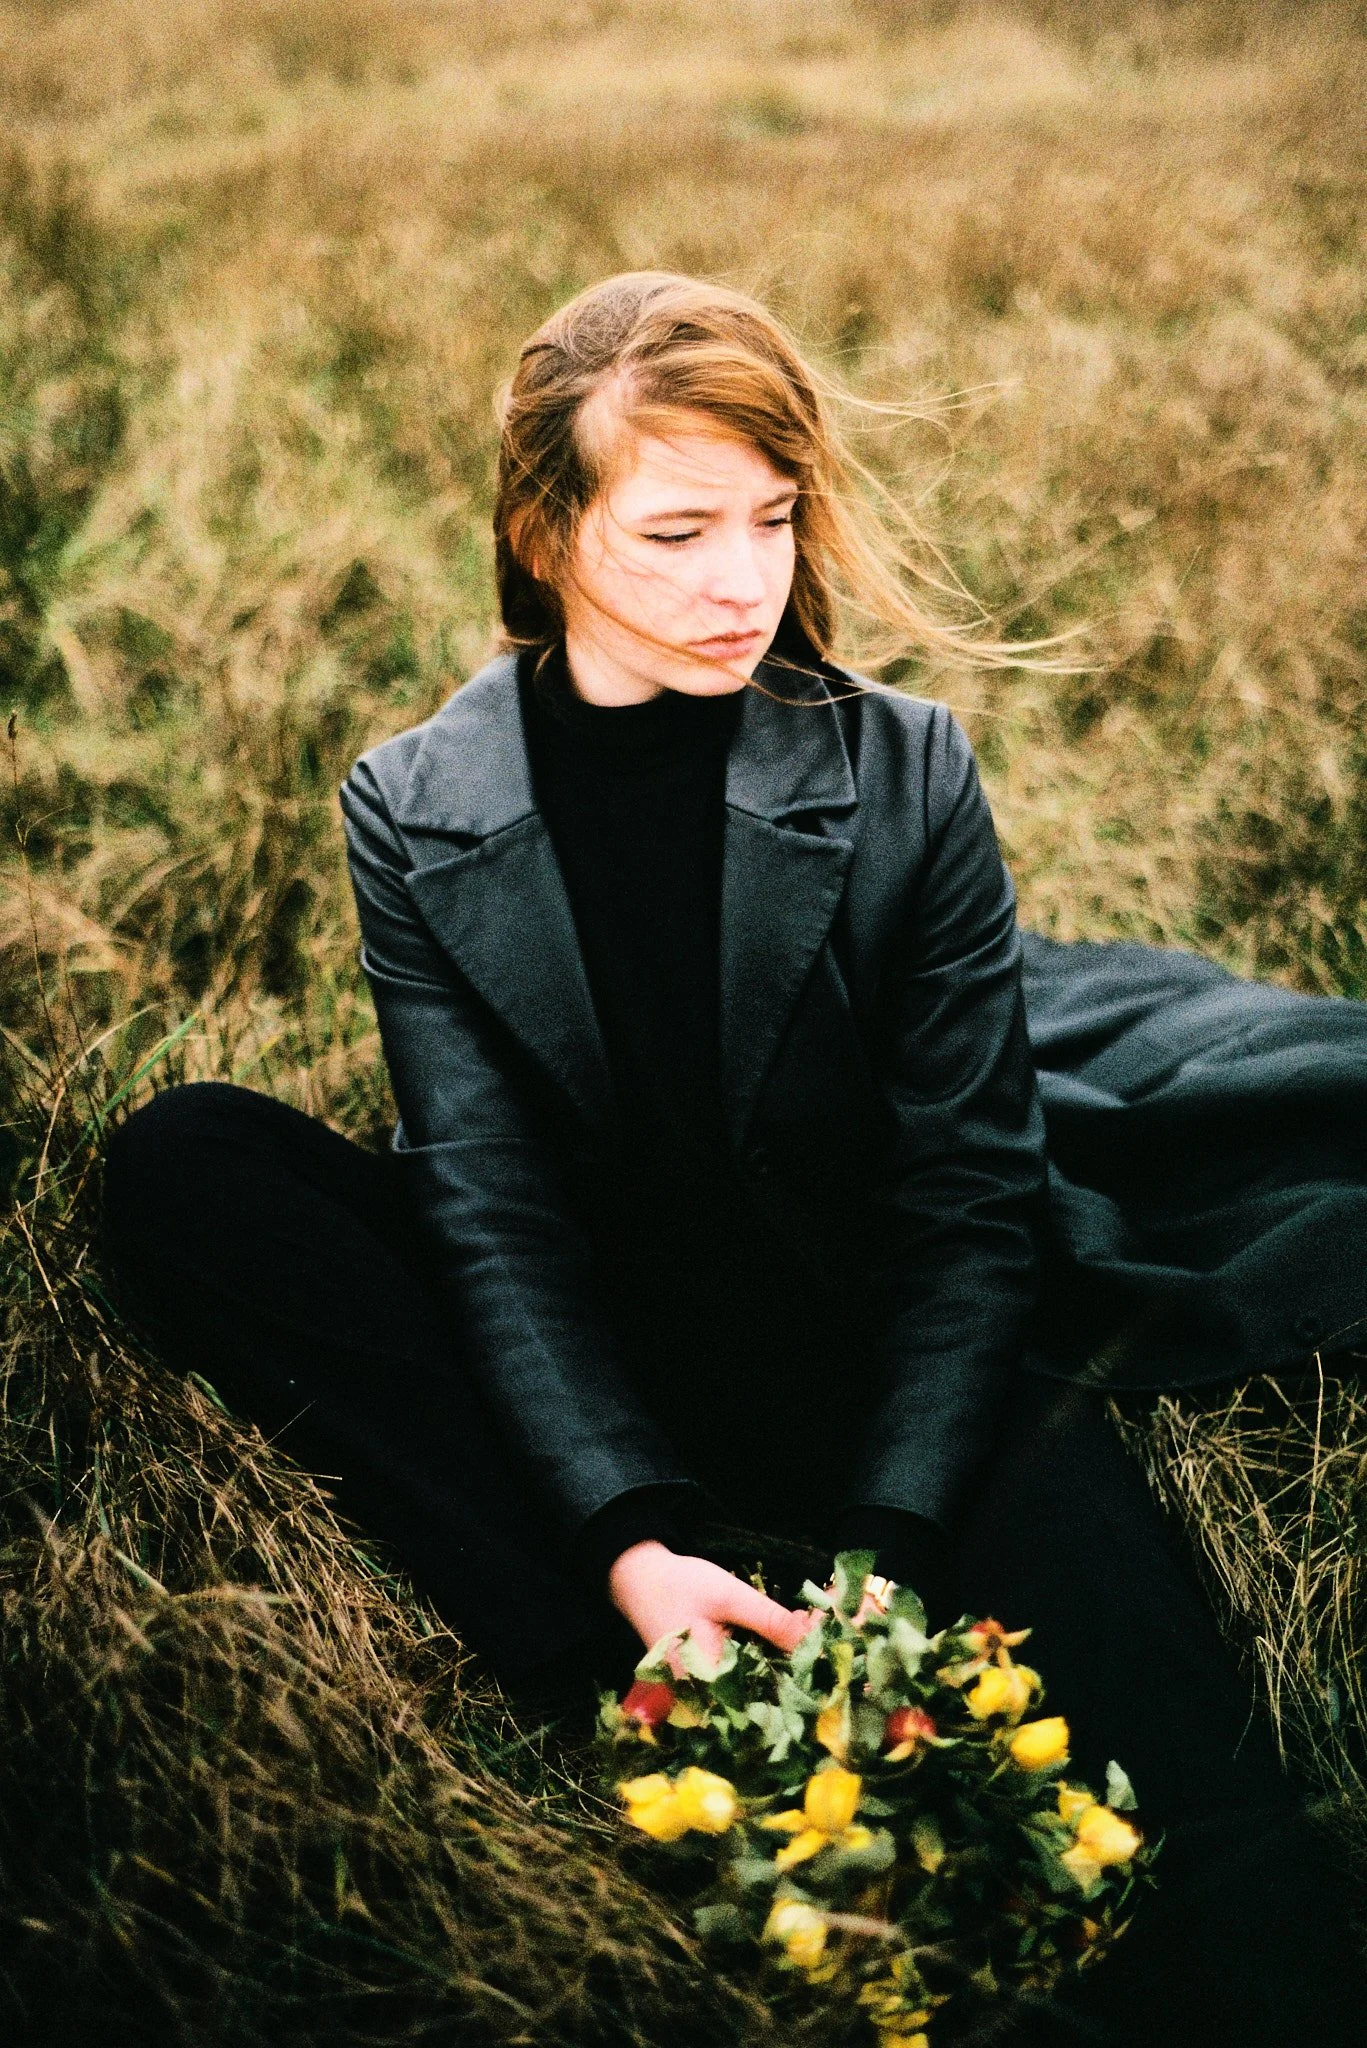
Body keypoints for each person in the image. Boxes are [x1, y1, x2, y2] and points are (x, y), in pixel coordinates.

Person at [101, 273, 1365, 2042]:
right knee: (186, 1163)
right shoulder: (416, 802)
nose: (740, 579)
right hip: (599, 1327)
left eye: (770, 519)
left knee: (1196, 1808)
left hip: (877, 1333)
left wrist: (884, 1544)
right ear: (544, 534)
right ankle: (638, 1667)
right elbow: (488, 1209)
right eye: (678, 527)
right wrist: (631, 1542)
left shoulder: (901, 770)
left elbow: (966, 1208)